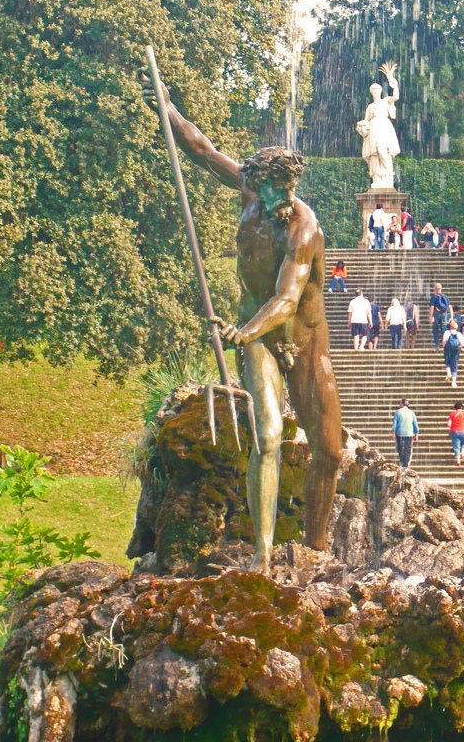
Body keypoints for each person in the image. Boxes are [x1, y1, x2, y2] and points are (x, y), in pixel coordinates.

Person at [143, 72, 344, 574]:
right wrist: (168, 111)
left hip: (301, 338)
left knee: (330, 451)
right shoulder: (250, 193)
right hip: (255, 334)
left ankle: (315, 551)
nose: (285, 197)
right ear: (257, 182)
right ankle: (261, 554)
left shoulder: (304, 226)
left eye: (291, 188)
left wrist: (243, 331)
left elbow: (286, 298)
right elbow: (205, 151)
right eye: (277, 187)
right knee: (269, 436)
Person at [356, 62, 401, 190]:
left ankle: (388, 176)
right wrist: (362, 127)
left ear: (380, 91)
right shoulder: (370, 107)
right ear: (371, 93)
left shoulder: (385, 100)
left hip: (384, 127)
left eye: (377, 90)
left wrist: (393, 81)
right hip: (373, 129)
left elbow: (396, 97)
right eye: (373, 91)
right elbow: (366, 120)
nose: (375, 92)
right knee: (374, 155)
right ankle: (377, 179)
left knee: (382, 150)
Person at [392, 398, 419, 469]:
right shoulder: (412, 413)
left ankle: (402, 460)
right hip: (409, 433)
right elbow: (415, 424)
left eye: (400, 403)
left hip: (399, 433)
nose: (399, 405)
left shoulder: (397, 412)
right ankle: (406, 463)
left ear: (402, 404)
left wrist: (393, 433)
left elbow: (395, 424)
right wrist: (416, 434)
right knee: (408, 448)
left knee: (400, 447)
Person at [442, 318, 464, 387]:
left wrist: (444, 346)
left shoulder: (447, 332)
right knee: (454, 365)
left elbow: (444, 340)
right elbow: (463, 344)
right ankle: (453, 382)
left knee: (448, 362)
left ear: (450, 327)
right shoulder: (459, 334)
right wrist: (459, 347)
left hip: (448, 349)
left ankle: (448, 374)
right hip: (456, 350)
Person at [447, 401, 464, 467]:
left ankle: (458, 461)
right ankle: (463, 452)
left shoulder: (452, 414)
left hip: (455, 431)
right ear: (461, 407)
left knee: (456, 446)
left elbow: (449, 424)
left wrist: (452, 426)